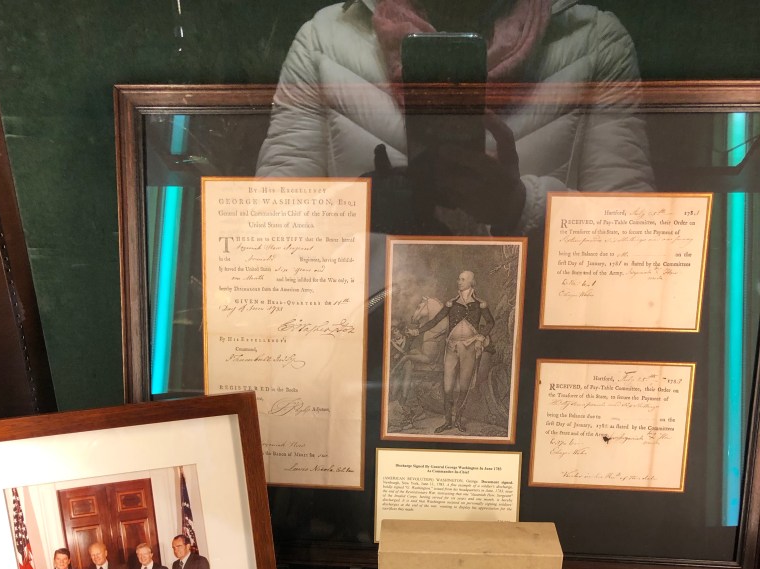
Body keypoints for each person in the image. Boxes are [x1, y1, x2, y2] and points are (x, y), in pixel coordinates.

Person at [256, 0, 653, 234]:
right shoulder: (323, 40)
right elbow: (272, 227)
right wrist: (360, 209)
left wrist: (520, 207)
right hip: (369, 328)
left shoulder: (594, 41)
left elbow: (629, 240)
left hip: (531, 338)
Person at [407, 270, 494, 432]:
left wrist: (481, 336)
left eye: (462, 279)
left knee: (464, 384)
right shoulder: (451, 303)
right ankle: (448, 421)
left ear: (471, 282)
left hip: (469, 348)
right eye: (458, 279)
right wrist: (418, 331)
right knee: (447, 385)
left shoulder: (480, 304)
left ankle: (458, 420)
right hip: (451, 347)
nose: (458, 281)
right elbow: (435, 321)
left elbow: (490, 322)